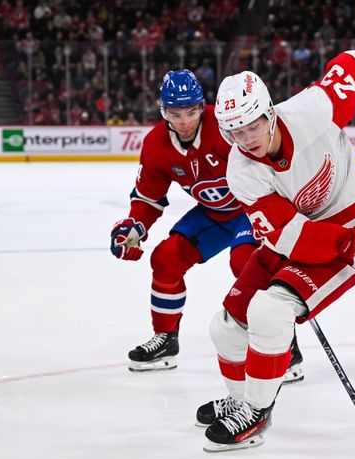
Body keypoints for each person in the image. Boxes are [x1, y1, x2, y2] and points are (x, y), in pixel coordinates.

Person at [196, 50, 355, 452]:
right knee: (224, 328)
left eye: (253, 126)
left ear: (270, 113)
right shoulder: (241, 172)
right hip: (304, 239)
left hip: (353, 225)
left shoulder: (313, 109)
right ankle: (243, 400)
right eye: (235, 133)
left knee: (270, 311)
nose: (247, 140)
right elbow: (290, 237)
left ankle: (257, 413)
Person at [110, 69, 304, 382]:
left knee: (245, 262)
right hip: (214, 213)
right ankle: (166, 340)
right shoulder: (156, 144)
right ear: (164, 113)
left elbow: (271, 157)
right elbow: (148, 197)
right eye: (175, 114)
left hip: (251, 208)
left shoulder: (227, 125)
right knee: (166, 259)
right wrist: (133, 228)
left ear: (202, 107)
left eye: (191, 111)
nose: (184, 121)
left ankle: (284, 345)